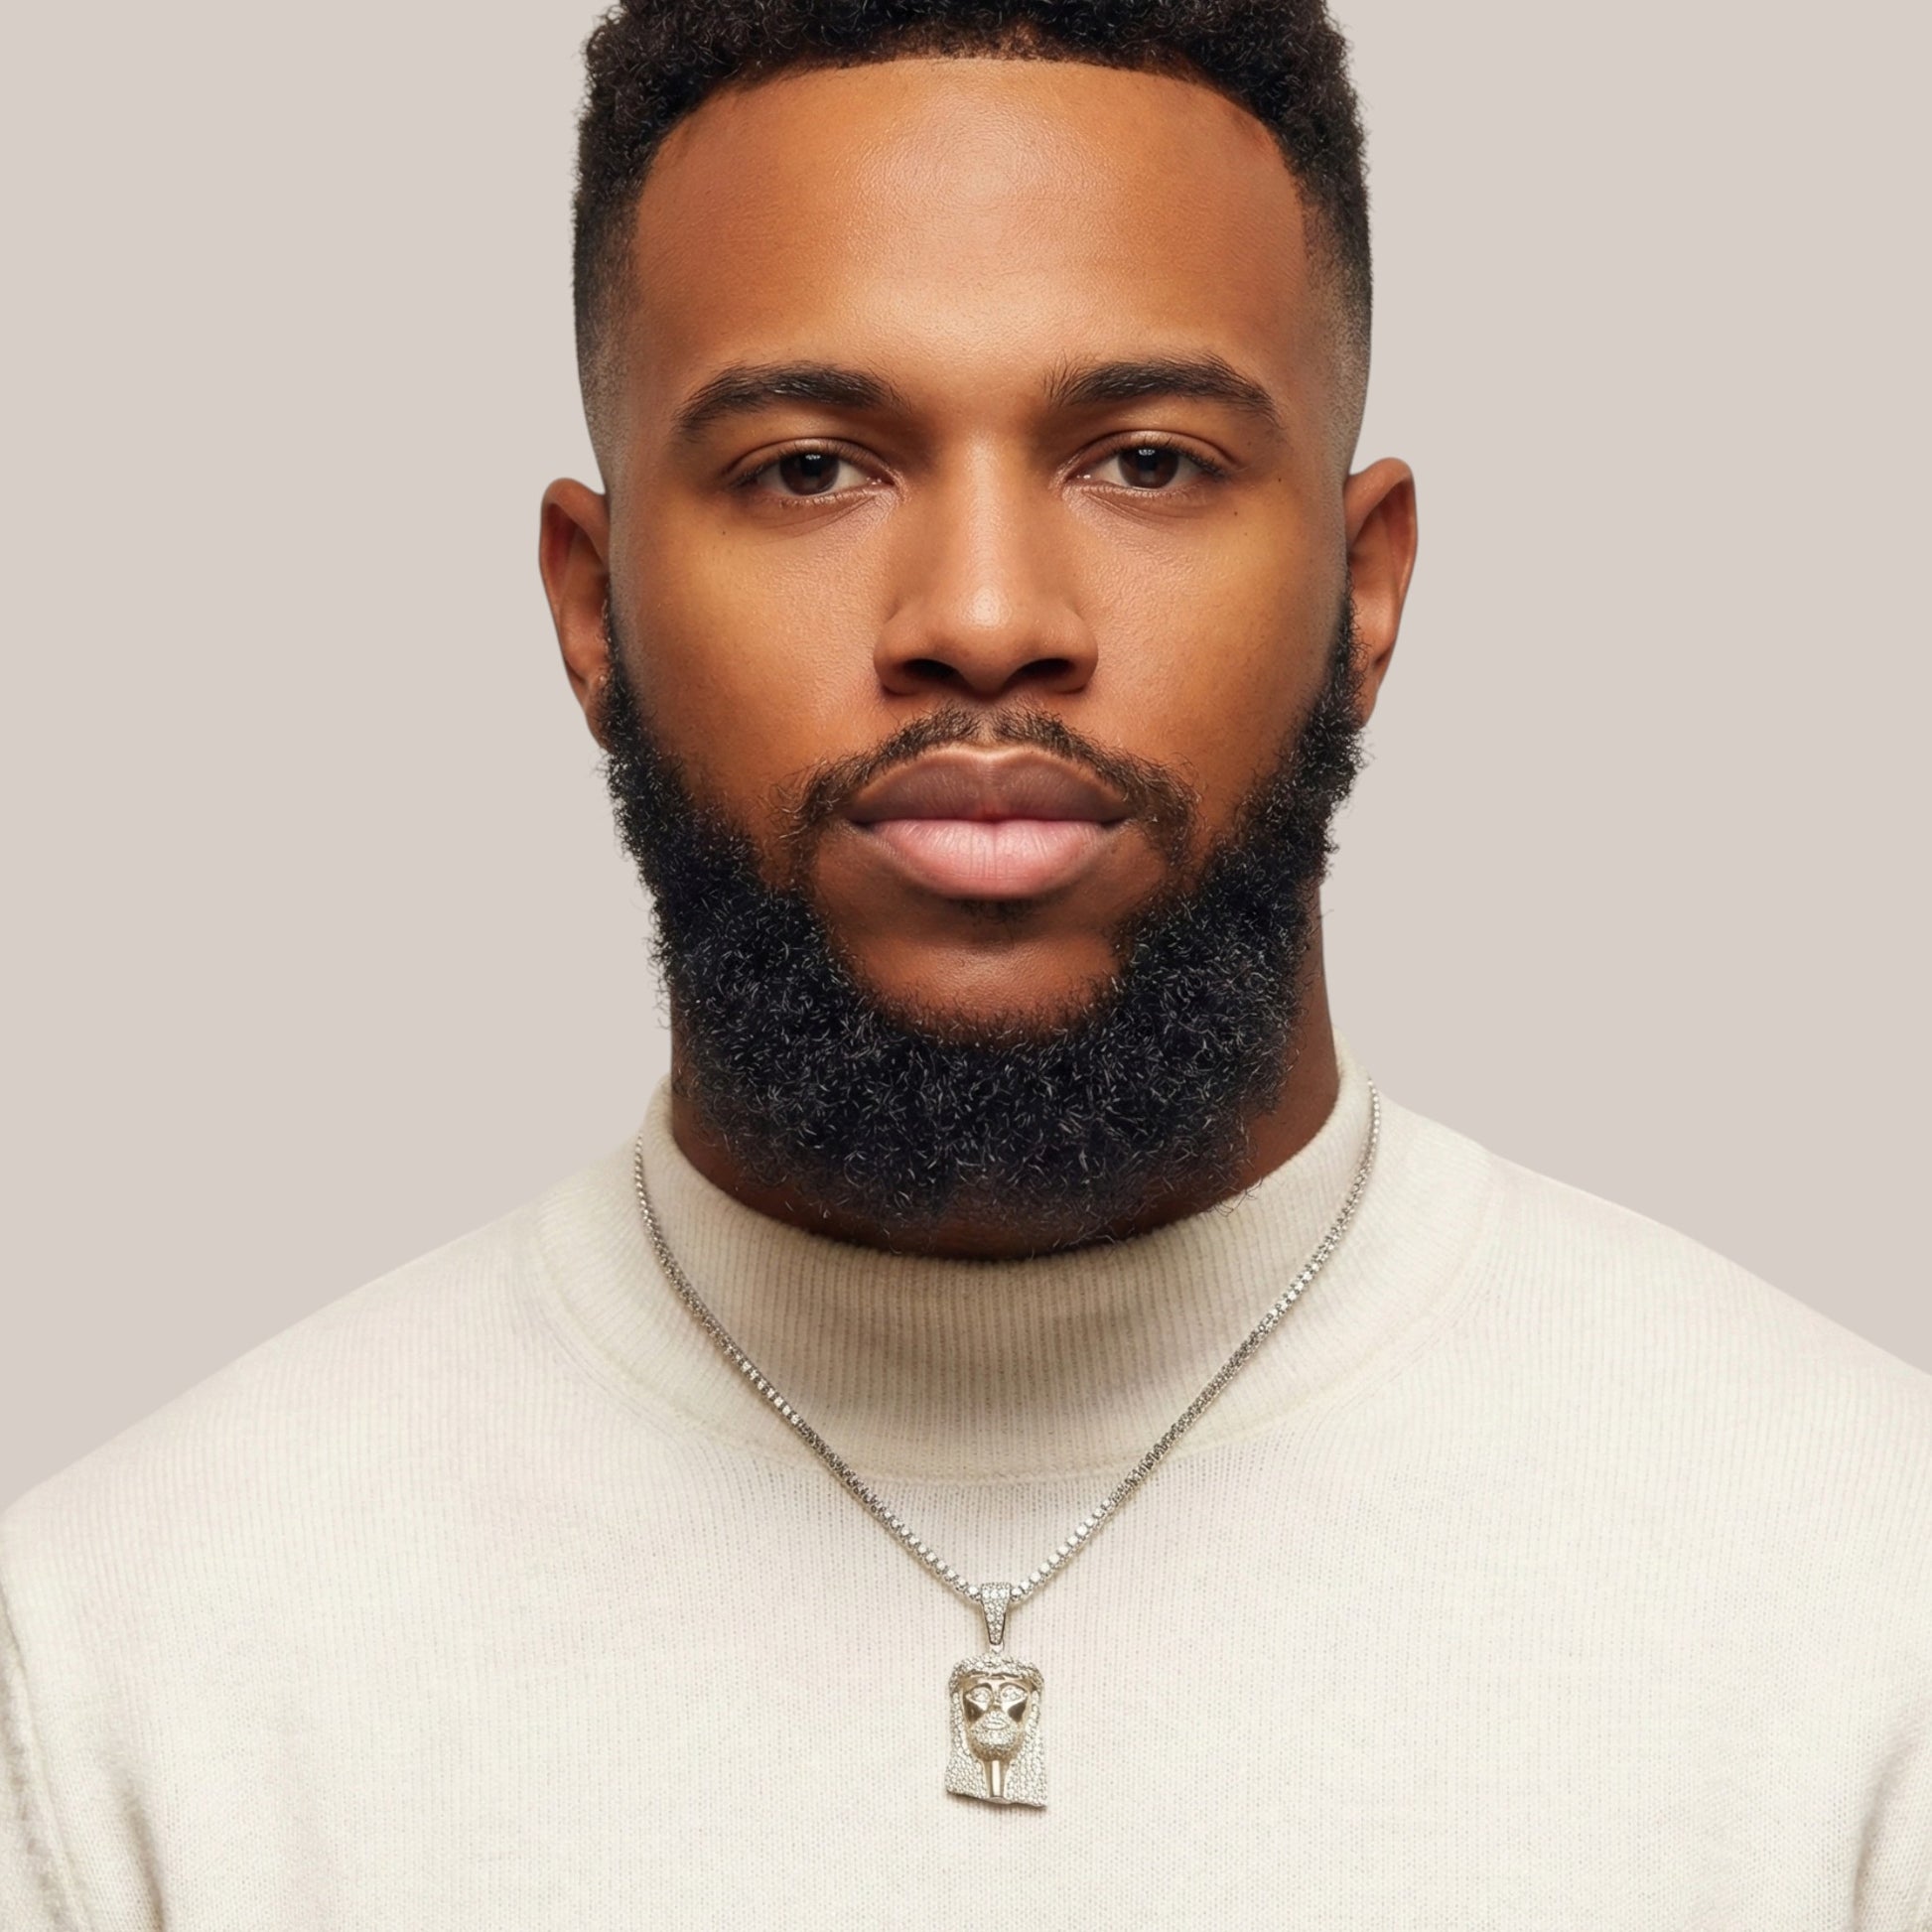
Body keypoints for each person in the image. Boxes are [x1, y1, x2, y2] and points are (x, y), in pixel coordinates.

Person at [4, 0, 1928, 1923]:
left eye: (1150, 461)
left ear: (1367, 592)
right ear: (593, 613)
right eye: (812, 468)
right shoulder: (119, 1689)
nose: (985, 620)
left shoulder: (1863, 1617)